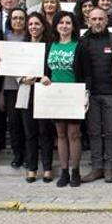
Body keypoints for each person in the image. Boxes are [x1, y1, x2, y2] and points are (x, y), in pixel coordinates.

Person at [77, 8, 112, 183]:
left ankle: (109, 168)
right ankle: (97, 168)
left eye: (100, 19)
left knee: (111, 131)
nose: (97, 22)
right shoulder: (82, 41)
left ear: (106, 20)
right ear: (88, 20)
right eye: (94, 19)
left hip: (111, 93)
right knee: (94, 132)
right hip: (90, 94)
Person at [41, 11, 84, 188]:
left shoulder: (79, 46)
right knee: (60, 134)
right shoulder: (50, 46)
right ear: (56, 25)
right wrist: (44, 78)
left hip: (73, 94)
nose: (64, 26)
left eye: (68, 23)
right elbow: (45, 70)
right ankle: (64, 171)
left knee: (73, 134)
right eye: (61, 23)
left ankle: (75, 172)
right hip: (55, 96)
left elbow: (86, 74)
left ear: (73, 26)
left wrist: (85, 94)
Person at [18, 13, 54, 183]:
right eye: (30, 24)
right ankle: (31, 168)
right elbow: (14, 69)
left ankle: (47, 168)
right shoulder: (22, 46)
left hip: (44, 92)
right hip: (27, 92)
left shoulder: (50, 46)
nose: (33, 26)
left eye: (37, 23)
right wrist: (22, 79)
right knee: (29, 133)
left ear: (43, 26)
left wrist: (48, 78)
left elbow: (54, 68)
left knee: (45, 132)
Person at [0, 7, 28, 169]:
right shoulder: (4, 39)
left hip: (28, 85)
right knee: (14, 123)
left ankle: (29, 155)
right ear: (10, 20)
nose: (18, 21)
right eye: (15, 18)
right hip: (9, 86)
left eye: (21, 18)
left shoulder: (30, 38)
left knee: (27, 123)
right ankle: (17, 155)